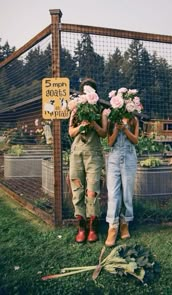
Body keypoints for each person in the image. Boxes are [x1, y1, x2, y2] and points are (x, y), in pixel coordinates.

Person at [68, 78, 107, 243]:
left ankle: (93, 227)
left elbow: (104, 133)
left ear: (95, 93)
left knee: (92, 191)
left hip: (93, 155)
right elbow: (70, 132)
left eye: (89, 91)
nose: (86, 94)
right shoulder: (76, 110)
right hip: (77, 154)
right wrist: (80, 127)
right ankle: (81, 227)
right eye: (84, 91)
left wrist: (93, 123)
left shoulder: (101, 111)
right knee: (77, 190)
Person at [105, 116, 139, 247]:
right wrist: (116, 130)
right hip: (114, 158)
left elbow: (135, 140)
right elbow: (109, 142)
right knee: (113, 193)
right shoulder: (112, 119)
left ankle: (125, 223)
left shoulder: (133, 119)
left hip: (129, 157)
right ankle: (112, 227)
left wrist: (125, 130)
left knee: (127, 193)